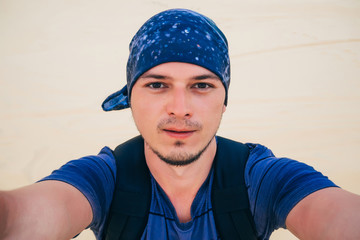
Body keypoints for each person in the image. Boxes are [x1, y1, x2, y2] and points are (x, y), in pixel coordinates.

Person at [1, 8, 360, 240]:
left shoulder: (264, 181)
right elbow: (22, 217)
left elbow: (335, 216)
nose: (180, 108)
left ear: (224, 99)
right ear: (131, 97)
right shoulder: (102, 179)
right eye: (157, 85)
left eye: (201, 85)